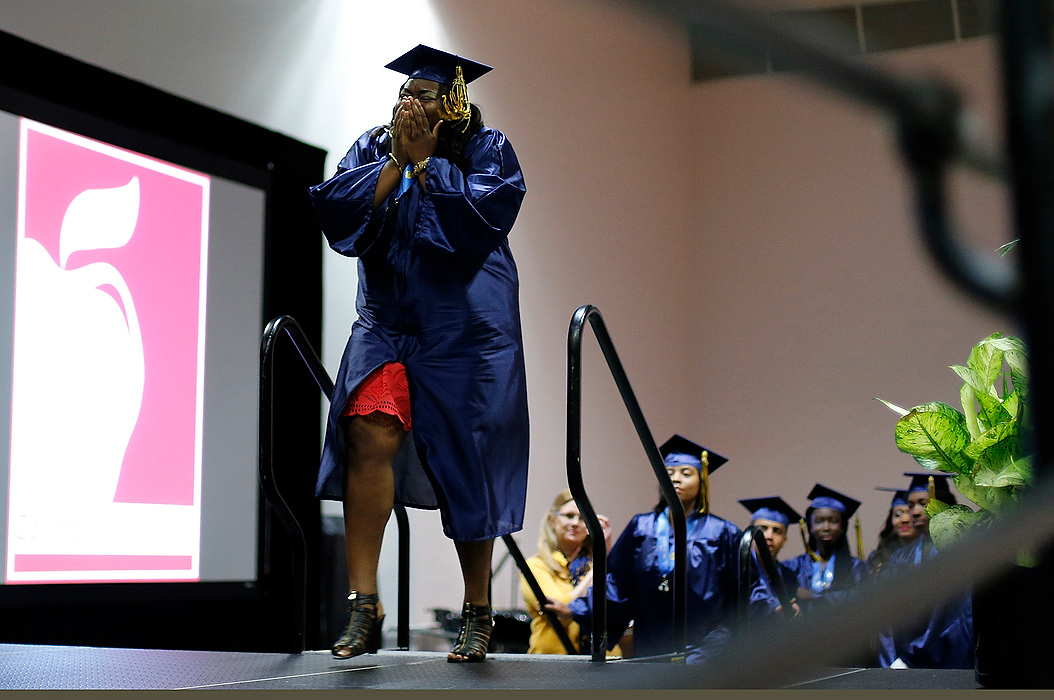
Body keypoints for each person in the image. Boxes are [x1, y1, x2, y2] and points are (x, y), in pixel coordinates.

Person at [306, 44, 529, 663]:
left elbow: (479, 224)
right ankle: (364, 603)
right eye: (405, 95)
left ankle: (478, 607)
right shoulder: (376, 147)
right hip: (387, 323)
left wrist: (429, 166)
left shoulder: (488, 149)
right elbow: (338, 209)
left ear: (454, 103)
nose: (409, 104)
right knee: (367, 433)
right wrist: (397, 166)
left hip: (465, 330)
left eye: (424, 97)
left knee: (470, 459)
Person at [567, 434, 747, 664]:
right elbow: (617, 584)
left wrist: (772, 608)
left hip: (706, 649)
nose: (675, 479)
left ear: (702, 481)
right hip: (650, 646)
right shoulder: (641, 528)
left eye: (686, 473)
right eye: (669, 473)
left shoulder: (722, 533)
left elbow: (744, 589)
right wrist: (576, 609)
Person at [877, 472, 973, 669]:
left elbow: (960, 616)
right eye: (911, 505)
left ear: (943, 503)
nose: (915, 511)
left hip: (949, 661)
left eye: (923, 502)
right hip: (902, 664)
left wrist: (911, 657)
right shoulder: (901, 557)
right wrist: (892, 661)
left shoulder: (960, 552)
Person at [519, 491, 620, 655]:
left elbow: (618, 609)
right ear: (552, 521)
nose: (575, 523)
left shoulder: (601, 564)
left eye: (582, 518)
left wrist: (605, 554)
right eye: (569, 515)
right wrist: (600, 567)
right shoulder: (536, 566)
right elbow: (559, 614)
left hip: (604, 661)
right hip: (552, 665)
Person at [783, 484, 868, 612]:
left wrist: (812, 596)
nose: (826, 527)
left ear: (843, 527)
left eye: (833, 521)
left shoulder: (856, 568)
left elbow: (859, 602)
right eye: (819, 521)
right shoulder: (793, 567)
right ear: (809, 526)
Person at [738, 496, 802, 615]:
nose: (769, 536)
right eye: (763, 528)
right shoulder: (738, 568)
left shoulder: (789, 576)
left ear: (784, 540)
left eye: (777, 531)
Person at [867, 487, 918, 576]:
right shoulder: (878, 557)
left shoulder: (930, 553)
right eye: (898, 515)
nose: (904, 520)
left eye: (910, 514)